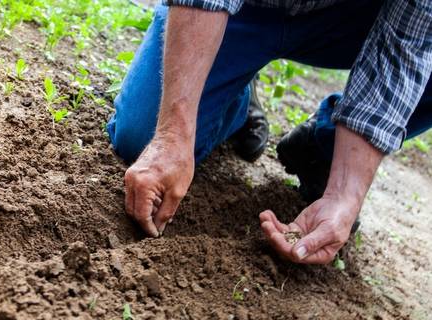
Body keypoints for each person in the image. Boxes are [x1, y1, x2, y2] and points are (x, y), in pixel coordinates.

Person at [107, 0, 432, 264]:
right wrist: (173, 135)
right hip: (244, 10)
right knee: (141, 137)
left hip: (348, 19)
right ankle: (235, 94)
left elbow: (408, 45)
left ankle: (325, 148)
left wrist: (344, 195)